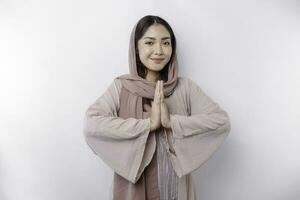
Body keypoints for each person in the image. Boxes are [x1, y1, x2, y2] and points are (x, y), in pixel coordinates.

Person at [83, 15, 231, 200]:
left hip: (175, 190)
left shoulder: (185, 88)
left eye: (166, 43)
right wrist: (148, 125)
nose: (159, 50)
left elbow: (221, 122)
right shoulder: (121, 87)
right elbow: (92, 126)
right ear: (136, 48)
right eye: (150, 43)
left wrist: (172, 122)